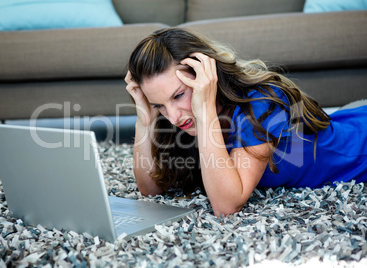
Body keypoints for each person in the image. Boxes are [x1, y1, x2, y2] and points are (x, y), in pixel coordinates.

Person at [124, 27, 367, 217]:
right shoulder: (178, 117)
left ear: (206, 75)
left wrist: (205, 108)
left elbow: (226, 205)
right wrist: (145, 117)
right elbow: (150, 189)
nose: (174, 117)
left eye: (178, 95)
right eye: (160, 105)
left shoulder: (261, 103)